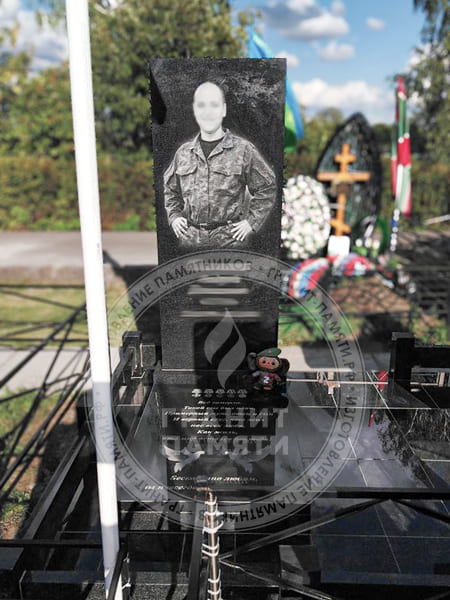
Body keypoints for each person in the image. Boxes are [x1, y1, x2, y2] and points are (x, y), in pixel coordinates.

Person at [164, 81, 277, 248]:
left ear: (223, 110)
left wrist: (251, 222)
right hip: (190, 241)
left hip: (230, 241)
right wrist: (174, 217)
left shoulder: (243, 150)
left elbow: (268, 186)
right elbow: (170, 188)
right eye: (201, 105)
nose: (208, 112)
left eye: (214, 105)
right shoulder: (183, 153)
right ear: (194, 110)